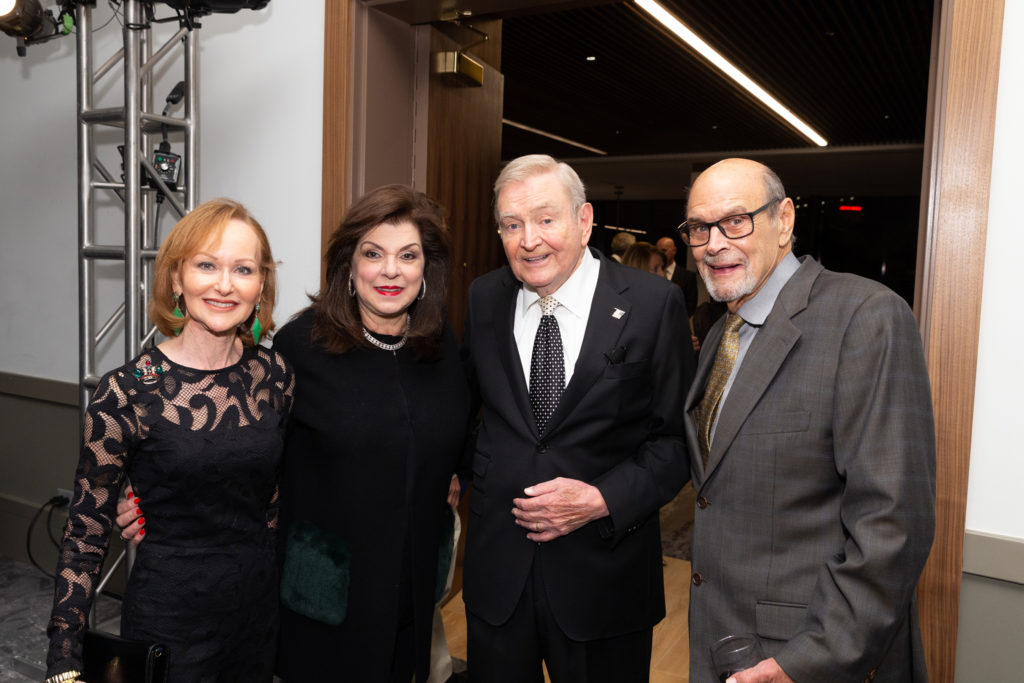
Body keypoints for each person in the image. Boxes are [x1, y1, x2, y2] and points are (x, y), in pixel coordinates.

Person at [679, 158, 935, 683]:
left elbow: (892, 522)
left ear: (785, 220)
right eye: (699, 228)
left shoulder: (865, 316)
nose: (713, 243)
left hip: (810, 654)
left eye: (735, 221)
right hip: (722, 641)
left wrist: (809, 660)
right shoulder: (722, 334)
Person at [461, 154, 695, 683]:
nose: (529, 240)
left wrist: (602, 500)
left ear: (584, 220)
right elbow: (468, 411)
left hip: (605, 579)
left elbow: (677, 442)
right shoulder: (484, 298)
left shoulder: (654, 305)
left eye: (546, 219)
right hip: (499, 577)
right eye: (512, 225)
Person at [45, 198, 294, 683]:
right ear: (176, 278)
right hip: (170, 622)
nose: (224, 285)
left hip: (255, 615)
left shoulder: (275, 375)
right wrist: (64, 657)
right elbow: (85, 532)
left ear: (260, 284)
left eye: (242, 269)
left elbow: (270, 497)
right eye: (206, 265)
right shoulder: (126, 391)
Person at [268, 185, 471, 682]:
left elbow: (461, 432)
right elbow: (247, 448)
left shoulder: (440, 344)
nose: (390, 271)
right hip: (327, 595)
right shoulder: (301, 344)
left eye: (408, 255)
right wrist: (163, 496)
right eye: (373, 254)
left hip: (412, 589)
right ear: (349, 264)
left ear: (427, 270)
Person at [657, 235, 698, 314]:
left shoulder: (688, 277)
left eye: (663, 251)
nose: (660, 255)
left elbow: (690, 306)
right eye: (657, 251)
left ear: (674, 251)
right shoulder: (650, 273)